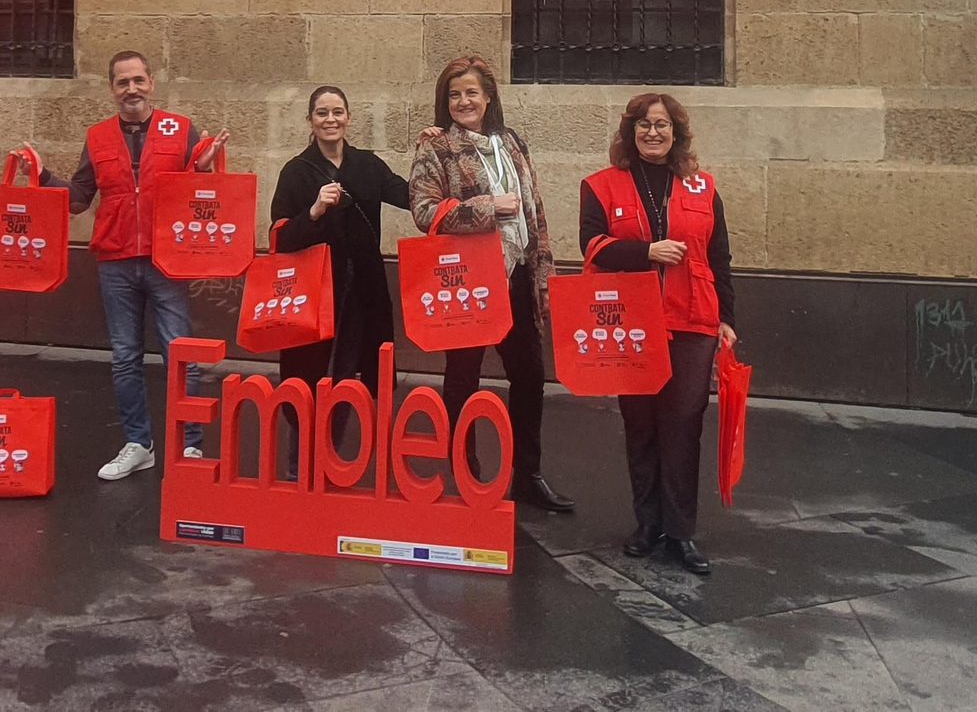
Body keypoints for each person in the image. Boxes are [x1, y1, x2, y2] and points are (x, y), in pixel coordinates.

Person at [28, 50, 228, 481]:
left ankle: (189, 445)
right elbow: (81, 198)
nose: (131, 89)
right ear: (112, 89)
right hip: (116, 259)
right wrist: (45, 175)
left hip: (166, 260)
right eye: (123, 82)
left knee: (183, 357)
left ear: (151, 83)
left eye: (138, 80)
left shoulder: (181, 128)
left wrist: (204, 168)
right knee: (124, 358)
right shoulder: (97, 136)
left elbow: (197, 198)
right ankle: (140, 444)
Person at [579, 93, 737, 575]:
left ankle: (681, 532)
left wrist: (728, 320)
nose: (653, 132)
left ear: (676, 133)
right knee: (641, 425)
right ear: (630, 133)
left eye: (662, 124)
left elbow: (720, 258)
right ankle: (647, 524)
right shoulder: (601, 185)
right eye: (644, 125)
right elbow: (592, 245)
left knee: (684, 426)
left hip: (693, 323)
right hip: (631, 323)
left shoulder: (702, 187)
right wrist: (646, 251)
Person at [409, 55, 572, 512]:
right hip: (467, 279)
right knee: (463, 377)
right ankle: (465, 473)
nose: (464, 101)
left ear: (488, 97)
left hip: (517, 274)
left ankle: (528, 474)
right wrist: (486, 207)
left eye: (472, 93)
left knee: (530, 375)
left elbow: (535, 211)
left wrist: (543, 279)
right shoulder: (436, 147)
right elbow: (424, 212)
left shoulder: (512, 142)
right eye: (455, 95)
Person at [269, 86, 410, 462]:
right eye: (321, 113)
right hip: (313, 296)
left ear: (348, 118)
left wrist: (433, 149)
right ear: (310, 121)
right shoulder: (296, 172)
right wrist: (313, 211)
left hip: (360, 296)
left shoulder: (368, 166)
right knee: (307, 379)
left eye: (337, 112)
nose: (330, 120)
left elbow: (412, 196)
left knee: (347, 376)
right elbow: (279, 237)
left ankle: (330, 461)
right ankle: (299, 466)